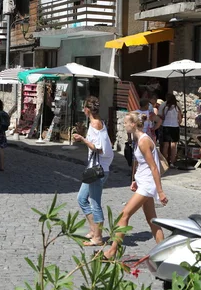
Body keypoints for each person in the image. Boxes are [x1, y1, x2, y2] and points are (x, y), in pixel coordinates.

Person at [103, 112, 168, 259]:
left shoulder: (144, 141)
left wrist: (160, 191)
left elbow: (153, 167)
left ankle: (112, 251)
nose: (124, 125)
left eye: (126, 122)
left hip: (147, 185)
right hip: (143, 183)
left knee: (124, 214)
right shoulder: (138, 140)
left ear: (133, 124)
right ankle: (164, 253)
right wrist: (135, 180)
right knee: (152, 220)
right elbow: (140, 164)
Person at [72, 96, 114, 246]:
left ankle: (98, 237)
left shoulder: (96, 124)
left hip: (99, 169)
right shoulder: (94, 122)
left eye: (84, 107)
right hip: (93, 168)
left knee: (95, 203)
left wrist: (82, 139)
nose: (83, 110)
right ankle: (93, 229)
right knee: (81, 198)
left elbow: (98, 148)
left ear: (87, 109)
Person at [160, 93, 182, 168]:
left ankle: (164, 163)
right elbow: (180, 119)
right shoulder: (177, 108)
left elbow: (162, 117)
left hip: (166, 126)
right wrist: (177, 123)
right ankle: (172, 162)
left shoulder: (164, 107)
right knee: (173, 146)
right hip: (174, 127)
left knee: (165, 145)